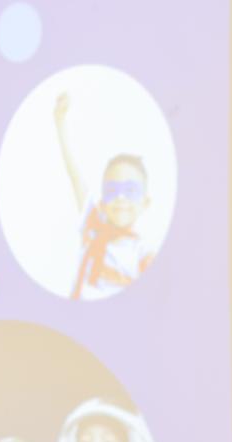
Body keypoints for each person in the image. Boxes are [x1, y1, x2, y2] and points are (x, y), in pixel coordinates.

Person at [53, 92, 156, 300]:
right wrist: (60, 123)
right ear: (102, 202)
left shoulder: (142, 253)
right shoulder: (92, 225)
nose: (121, 198)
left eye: (130, 190)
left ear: (145, 203)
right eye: (112, 190)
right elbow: (75, 177)